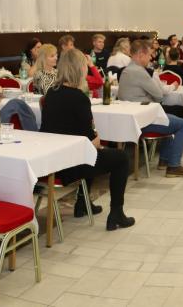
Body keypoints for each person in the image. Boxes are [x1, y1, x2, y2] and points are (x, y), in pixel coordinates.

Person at [39, 50, 137, 229]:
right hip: (71, 164)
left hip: (53, 161)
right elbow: (93, 142)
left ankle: (83, 203)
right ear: (80, 69)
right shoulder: (79, 98)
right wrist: (97, 136)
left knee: (92, 152)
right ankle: (116, 213)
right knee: (121, 158)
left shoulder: (51, 93)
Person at [115, 39, 183, 177]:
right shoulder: (139, 71)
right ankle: (174, 166)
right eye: (148, 55)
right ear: (141, 55)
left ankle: (164, 160)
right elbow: (159, 95)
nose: (151, 58)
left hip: (132, 118)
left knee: (171, 119)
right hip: (143, 121)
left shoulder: (127, 70)